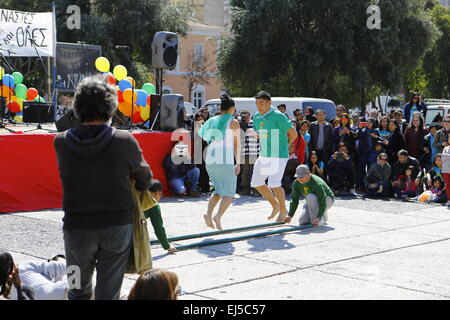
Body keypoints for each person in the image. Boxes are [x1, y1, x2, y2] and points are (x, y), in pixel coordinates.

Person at [54, 75, 153, 300]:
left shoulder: (60, 142)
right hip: (117, 228)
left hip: (75, 229)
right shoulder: (124, 140)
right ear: (110, 107)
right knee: (109, 293)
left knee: (76, 288)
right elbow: (145, 179)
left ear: (78, 107)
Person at [250, 91, 298, 222]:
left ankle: (283, 210)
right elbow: (262, 134)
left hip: (278, 155)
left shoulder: (278, 116)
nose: (259, 106)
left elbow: (293, 134)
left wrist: (286, 145)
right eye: (257, 104)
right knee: (257, 183)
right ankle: (275, 206)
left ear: (269, 103)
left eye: (261, 103)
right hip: (264, 154)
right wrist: (256, 135)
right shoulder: (256, 117)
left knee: (274, 184)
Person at [198, 94, 241, 230]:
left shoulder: (212, 120)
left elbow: (203, 135)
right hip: (224, 157)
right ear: (232, 108)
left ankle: (208, 213)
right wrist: (238, 163)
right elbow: (236, 144)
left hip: (210, 156)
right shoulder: (233, 122)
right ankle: (217, 216)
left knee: (218, 189)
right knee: (229, 192)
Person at [0, 252, 67, 300]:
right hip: (63, 291)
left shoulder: (13, 296)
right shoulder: (25, 267)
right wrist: (59, 258)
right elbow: (62, 267)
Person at [143, 180, 177, 253]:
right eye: (161, 194)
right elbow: (158, 228)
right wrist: (167, 246)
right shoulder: (153, 205)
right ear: (157, 193)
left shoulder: (138, 195)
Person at [239, 110, 260, 196]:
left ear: (250, 116)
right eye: (243, 117)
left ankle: (256, 190)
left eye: (247, 117)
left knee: (255, 172)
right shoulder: (238, 126)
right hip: (244, 153)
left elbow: (259, 137)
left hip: (255, 152)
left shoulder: (254, 124)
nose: (245, 119)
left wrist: (249, 130)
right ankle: (246, 189)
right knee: (245, 173)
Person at [441, 133, 450, 207]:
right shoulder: (445, 148)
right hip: (446, 170)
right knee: (447, 185)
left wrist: (447, 156)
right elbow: (442, 158)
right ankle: (449, 199)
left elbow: (445, 156)